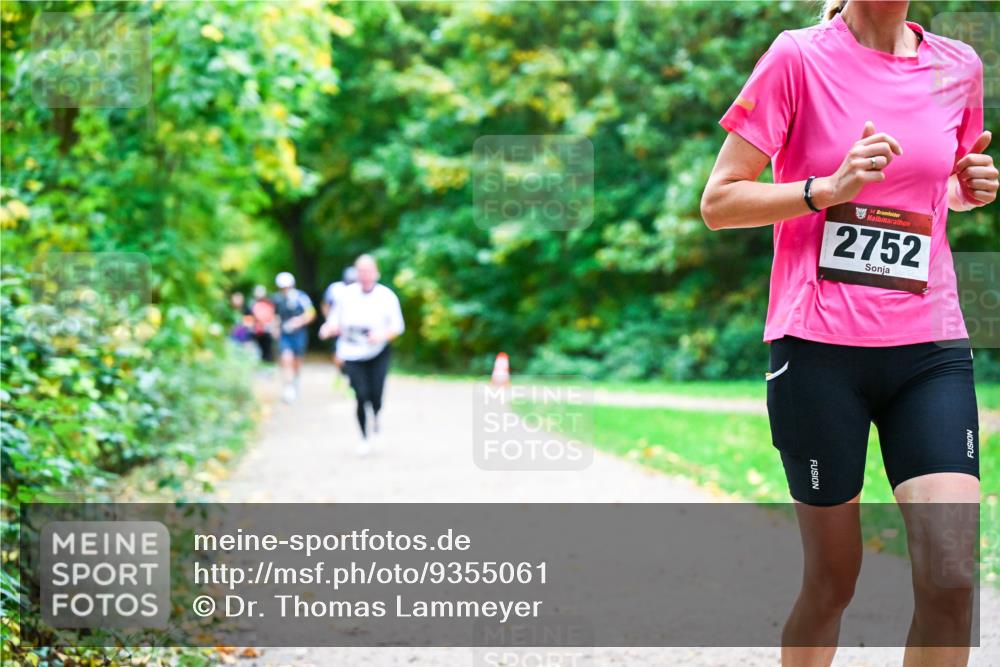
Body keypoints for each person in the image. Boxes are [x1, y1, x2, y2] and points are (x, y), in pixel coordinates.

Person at [700, 1, 996, 665]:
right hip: (818, 352)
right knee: (833, 580)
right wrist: (823, 189)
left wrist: (965, 187)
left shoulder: (959, 68)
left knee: (950, 577)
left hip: (929, 349)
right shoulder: (797, 58)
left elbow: (933, 187)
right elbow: (718, 201)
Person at [319, 255, 404, 456]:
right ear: (356, 273)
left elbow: (397, 327)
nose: (365, 275)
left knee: (376, 394)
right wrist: (328, 329)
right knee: (360, 394)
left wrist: (381, 335)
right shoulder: (345, 295)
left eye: (369, 271)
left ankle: (376, 413)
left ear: (376, 273)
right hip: (352, 353)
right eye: (361, 271)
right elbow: (334, 321)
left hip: (378, 352)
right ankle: (364, 438)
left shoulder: (387, 296)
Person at [272, 271, 315, 403]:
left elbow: (311, 313)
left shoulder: (301, 297)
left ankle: (295, 382)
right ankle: (288, 387)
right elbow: (273, 316)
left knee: (297, 361)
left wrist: (299, 321)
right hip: (285, 334)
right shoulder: (276, 299)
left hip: (299, 334)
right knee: (286, 359)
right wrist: (275, 328)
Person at [249, 284, 276, 364]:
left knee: (268, 350)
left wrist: (274, 328)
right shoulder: (251, 304)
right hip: (256, 332)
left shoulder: (269, 303)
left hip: (267, 331)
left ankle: (268, 368)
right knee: (258, 351)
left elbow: (273, 316)